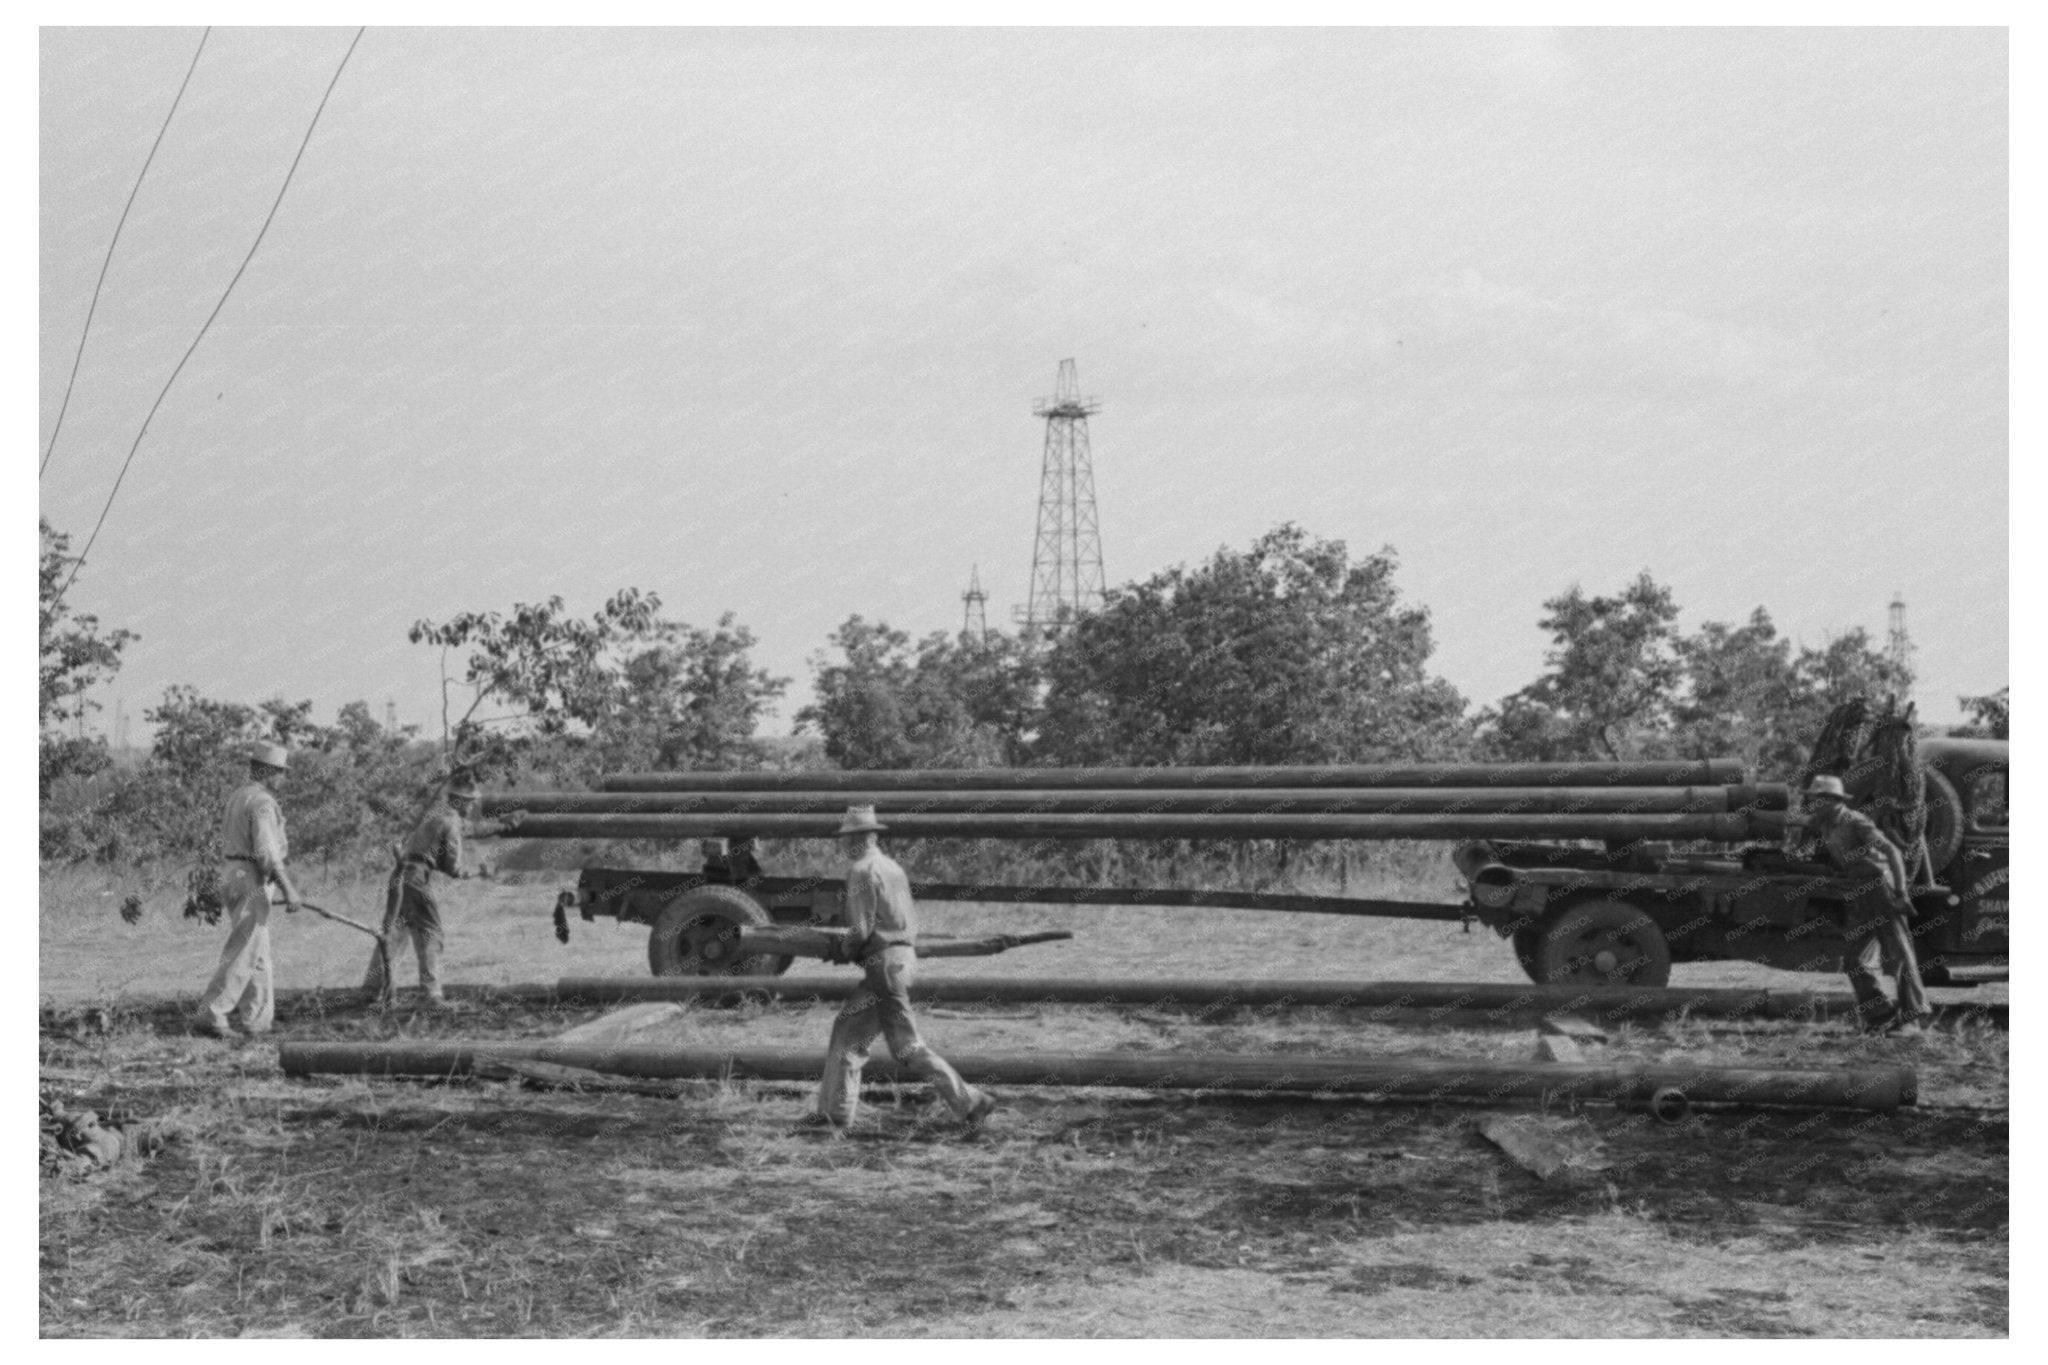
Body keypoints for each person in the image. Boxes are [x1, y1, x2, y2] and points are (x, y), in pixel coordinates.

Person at [805, 805, 998, 1133]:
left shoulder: (862, 870)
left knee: (906, 1046)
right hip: (901, 961)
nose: (843, 844)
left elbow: (861, 930)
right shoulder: (893, 867)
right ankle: (833, 1115)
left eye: (847, 838)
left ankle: (970, 1100)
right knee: (849, 1034)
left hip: (883, 966)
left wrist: (841, 950)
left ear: (862, 838)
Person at [1803, 774, 1932, 1036]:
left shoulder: (1856, 822)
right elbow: (1793, 821)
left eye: (1817, 799)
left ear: (1831, 800)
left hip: (1881, 889)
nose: (1813, 804)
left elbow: (1892, 852)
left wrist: (1900, 892)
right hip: (1860, 891)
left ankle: (1913, 1019)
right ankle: (1881, 1015)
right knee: (1855, 961)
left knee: (1899, 954)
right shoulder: (1825, 822)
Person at [194, 741, 303, 1038]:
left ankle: (258, 1022)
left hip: (234, 872)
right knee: (244, 949)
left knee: (258, 952)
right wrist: (289, 889)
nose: (282, 777)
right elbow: (267, 852)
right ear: (265, 770)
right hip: (249, 876)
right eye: (279, 771)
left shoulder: (239, 796)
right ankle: (212, 1014)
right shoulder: (262, 802)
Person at [362, 776, 492, 1006]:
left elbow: (434, 855)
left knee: (395, 932)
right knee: (431, 934)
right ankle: (432, 995)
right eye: (470, 802)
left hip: (400, 875)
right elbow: (452, 867)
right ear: (459, 801)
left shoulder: (433, 816)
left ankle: (372, 989)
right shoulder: (451, 822)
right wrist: (475, 872)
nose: (473, 807)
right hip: (416, 879)